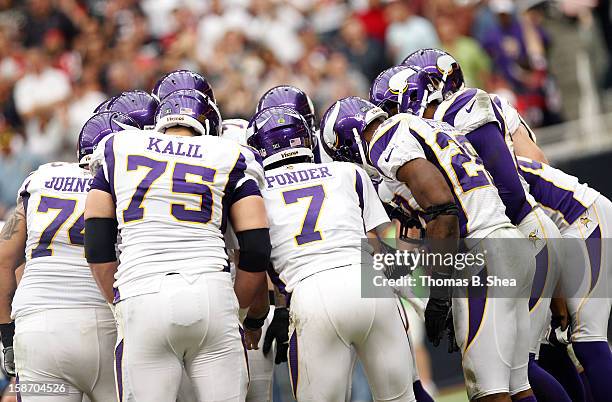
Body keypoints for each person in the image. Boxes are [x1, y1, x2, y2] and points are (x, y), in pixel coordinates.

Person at [320, 96, 537, 402]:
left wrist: (438, 294)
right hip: (506, 241)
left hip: (481, 254)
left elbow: (442, 208)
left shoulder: (386, 138)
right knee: (518, 385)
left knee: (489, 392)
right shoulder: (426, 126)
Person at [399, 49, 572, 401]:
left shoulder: (461, 109)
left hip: (515, 230)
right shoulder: (453, 123)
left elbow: (512, 186)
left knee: (515, 369)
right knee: (540, 357)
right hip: (528, 229)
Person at [84, 88, 269, 401]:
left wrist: (118, 300)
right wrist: (234, 308)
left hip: (142, 292)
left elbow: (97, 244)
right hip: (211, 290)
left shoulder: (120, 146)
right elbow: (257, 248)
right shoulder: (228, 153)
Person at [248, 105, 417, 402]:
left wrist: (259, 317)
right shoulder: (347, 172)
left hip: (312, 291)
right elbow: (381, 242)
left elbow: (256, 258)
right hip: (368, 281)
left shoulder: (257, 190)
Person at [0, 111, 136, 401]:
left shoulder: (41, 178)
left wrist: (6, 335)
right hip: (101, 326)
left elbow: (3, 258)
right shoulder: (124, 186)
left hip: (35, 330)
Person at [517, 157, 612, 402]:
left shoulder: (487, 168)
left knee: (586, 339)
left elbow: (538, 232)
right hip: (554, 234)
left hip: (583, 219)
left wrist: (555, 291)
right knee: (547, 344)